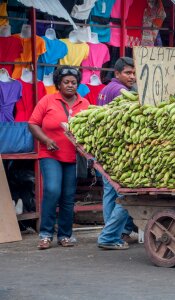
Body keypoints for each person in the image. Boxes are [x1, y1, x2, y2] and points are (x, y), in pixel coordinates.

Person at [28, 67, 90, 250]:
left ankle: (65, 235)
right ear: (59, 84)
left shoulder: (84, 103)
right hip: (50, 154)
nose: (70, 85)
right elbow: (32, 124)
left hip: (73, 157)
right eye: (66, 82)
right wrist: (46, 140)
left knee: (68, 197)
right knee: (53, 190)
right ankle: (46, 234)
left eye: (73, 82)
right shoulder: (48, 100)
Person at [97, 57, 137, 250]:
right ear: (117, 74)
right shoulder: (120, 91)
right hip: (117, 153)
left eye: (134, 73)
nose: (132, 77)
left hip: (105, 150)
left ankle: (111, 233)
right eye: (128, 73)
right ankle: (109, 236)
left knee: (111, 192)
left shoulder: (105, 90)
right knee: (127, 194)